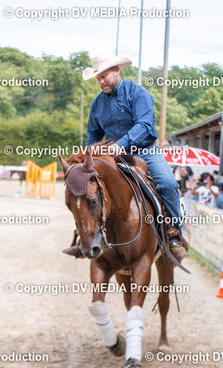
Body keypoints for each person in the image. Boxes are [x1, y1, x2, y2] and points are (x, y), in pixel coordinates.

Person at [64, 53, 188, 261]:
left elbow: (144, 125)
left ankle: (174, 234)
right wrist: (88, 156)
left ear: (117, 71)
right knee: (85, 187)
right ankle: (82, 236)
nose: (101, 82)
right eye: (98, 78)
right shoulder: (97, 103)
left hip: (145, 151)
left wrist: (120, 145)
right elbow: (94, 133)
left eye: (104, 76)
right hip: (111, 154)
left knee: (167, 183)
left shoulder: (138, 94)